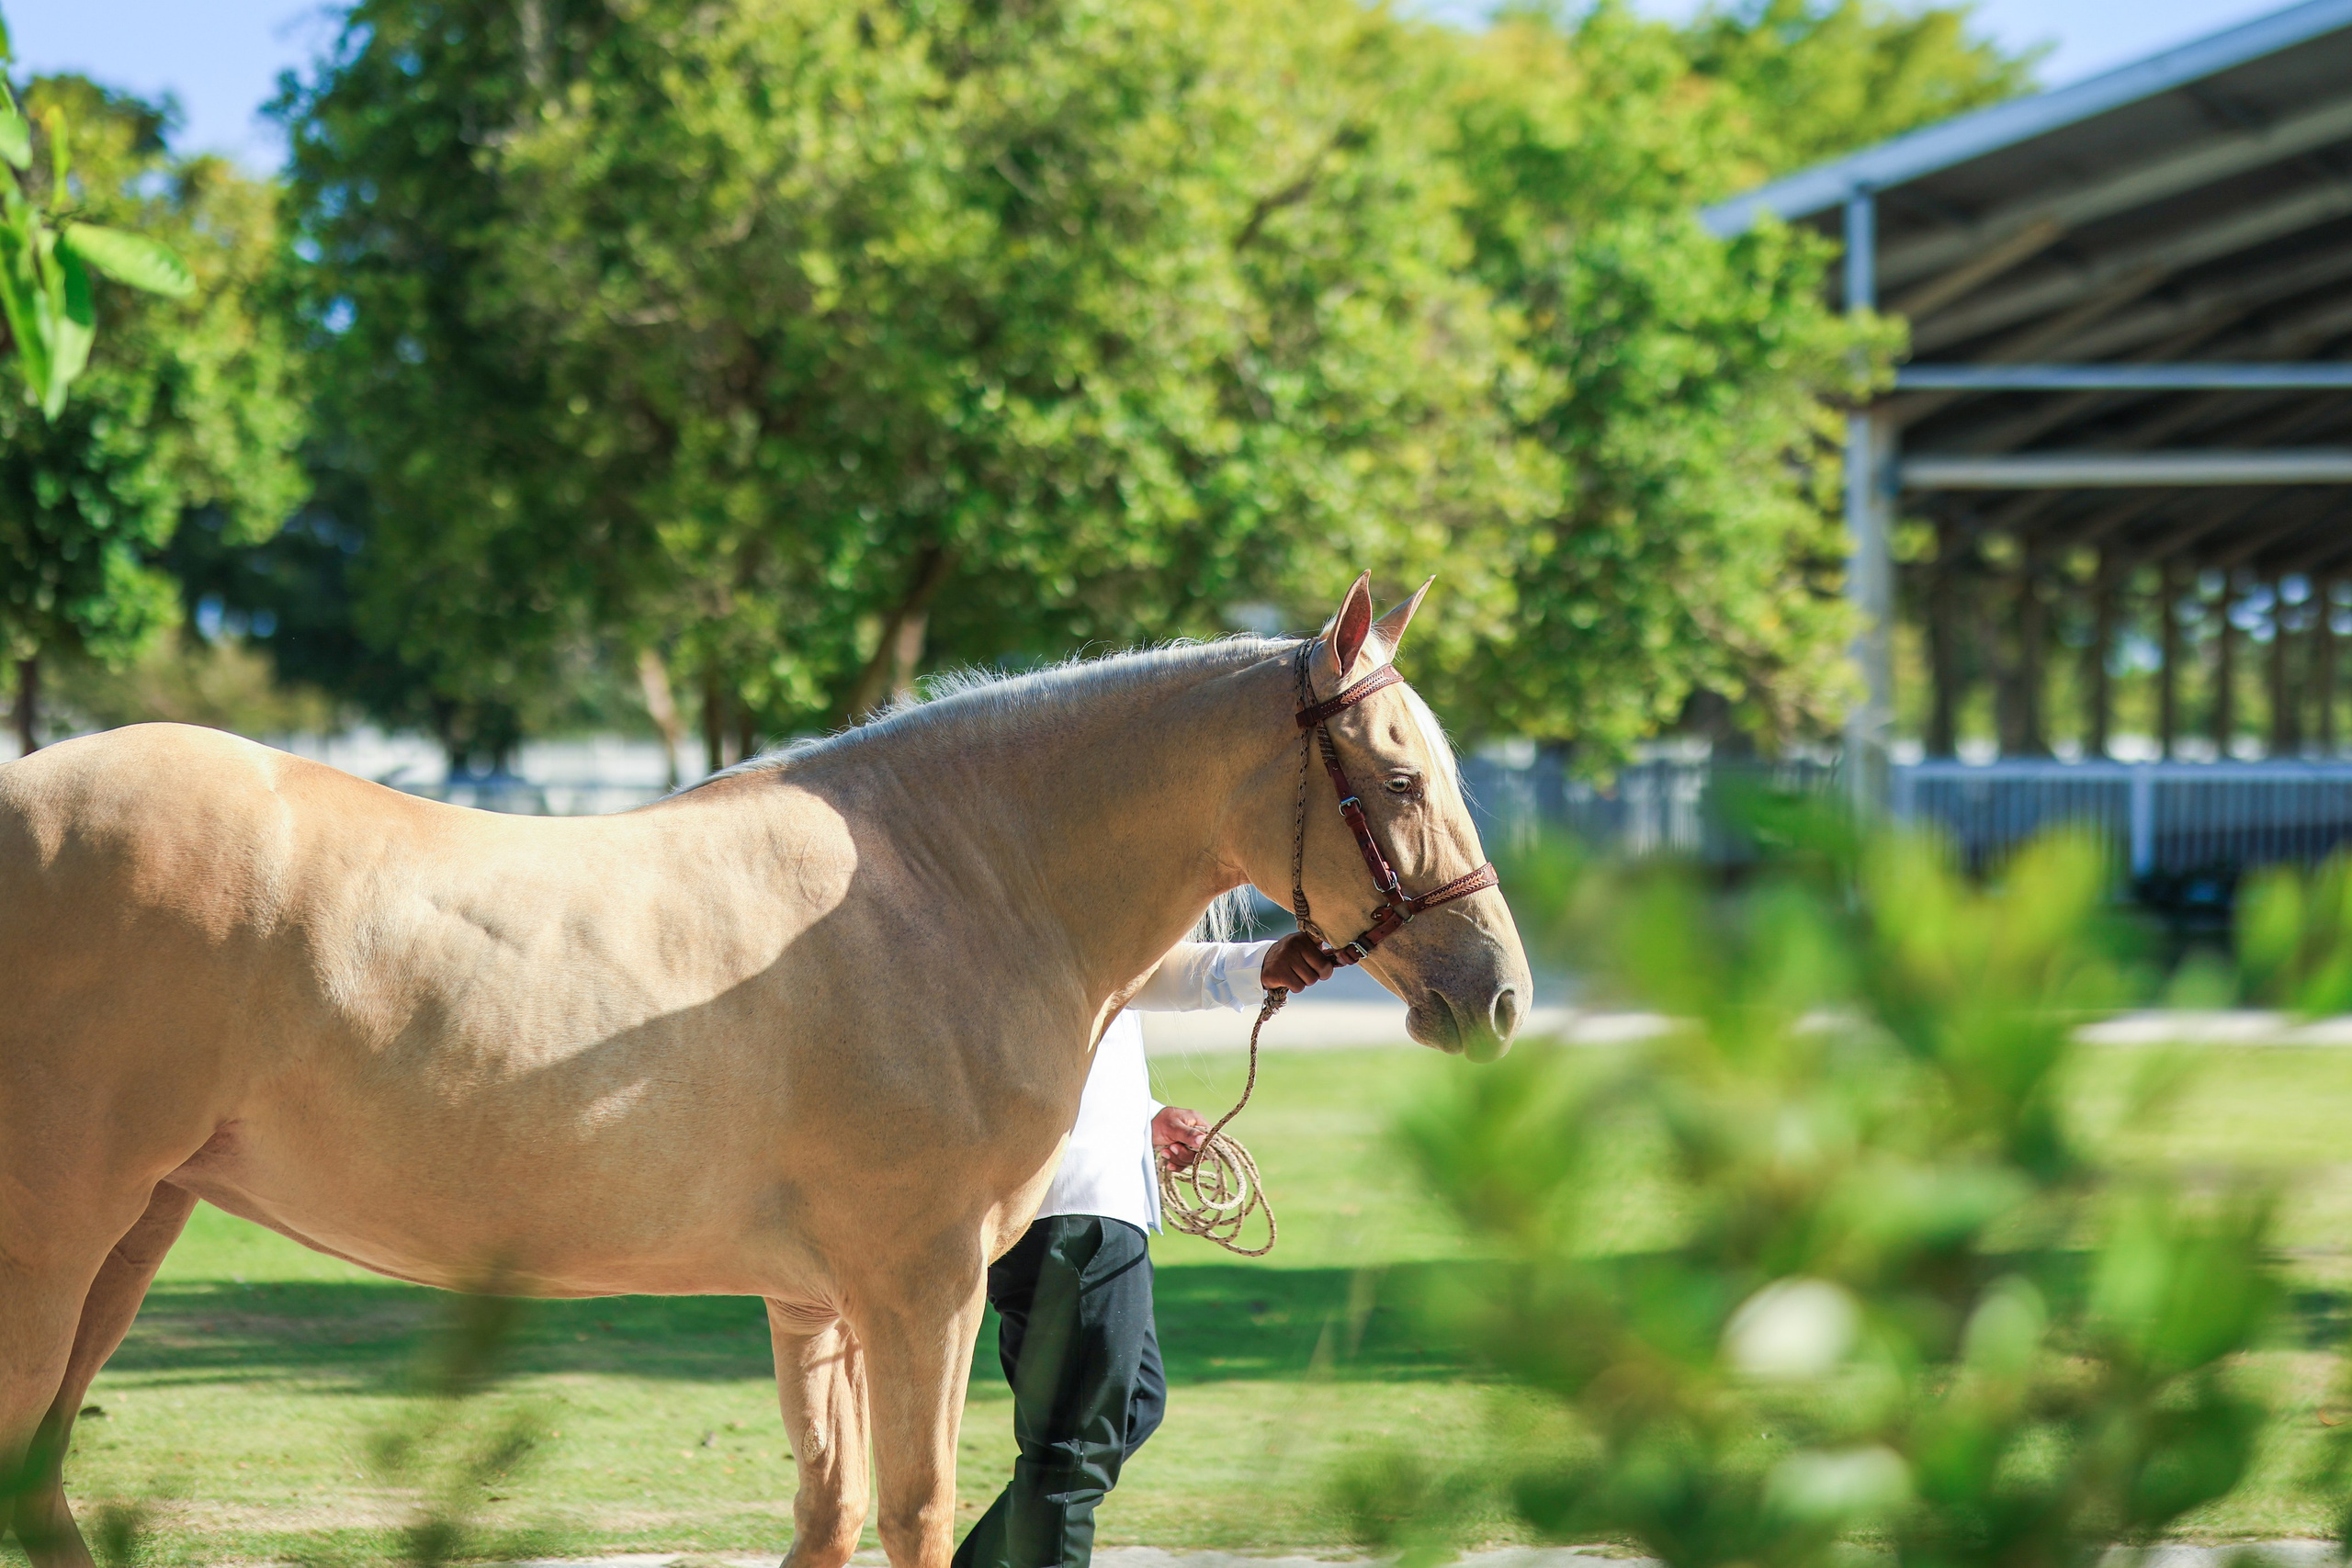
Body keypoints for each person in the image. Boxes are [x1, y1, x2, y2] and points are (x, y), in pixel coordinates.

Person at [951, 929, 1337, 1568]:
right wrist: (1260, 963)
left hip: (1080, 1204)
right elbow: (1145, 967)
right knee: (1071, 1457)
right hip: (1079, 1211)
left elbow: (1092, 1013)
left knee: (1132, 1406)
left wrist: (1143, 1113)